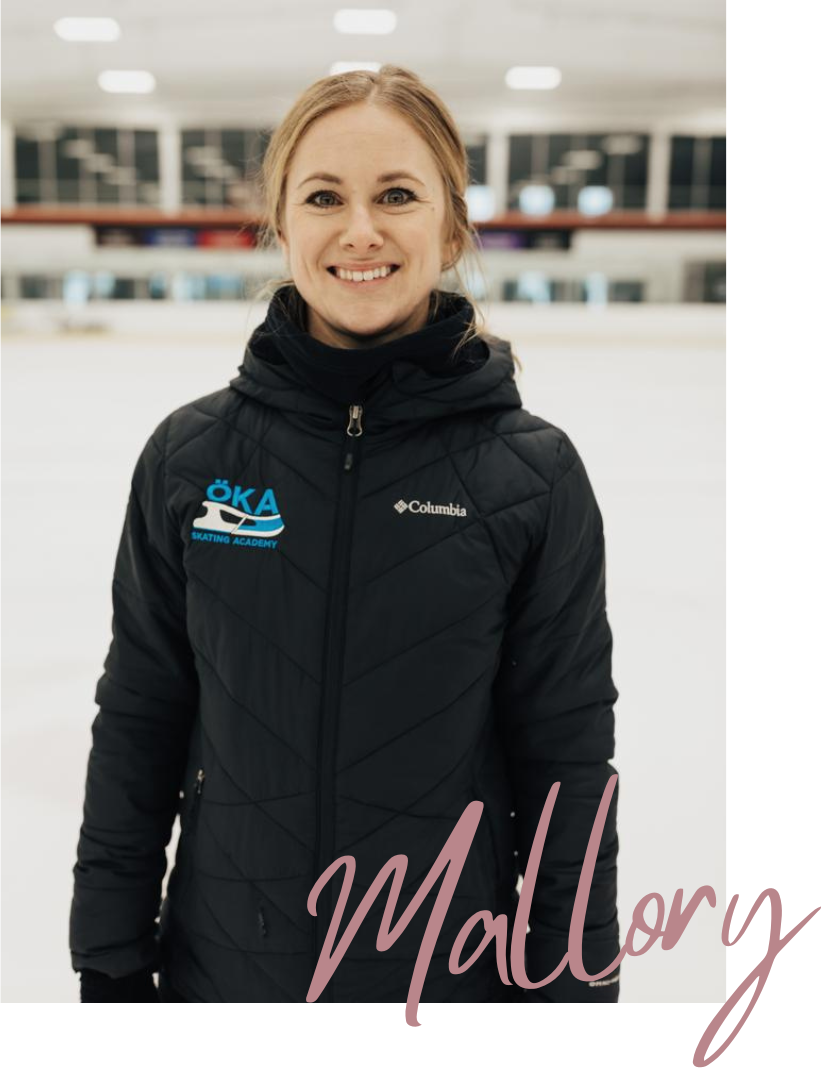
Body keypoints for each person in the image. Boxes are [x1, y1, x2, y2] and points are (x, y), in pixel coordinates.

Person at [70, 64, 621, 1005]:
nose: (359, 230)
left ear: (450, 227)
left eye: (397, 195)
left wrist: (573, 979)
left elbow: (568, 766)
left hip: (443, 978)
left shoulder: (531, 477)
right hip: (223, 974)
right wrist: (109, 953)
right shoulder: (191, 459)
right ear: (282, 224)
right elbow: (139, 719)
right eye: (324, 195)